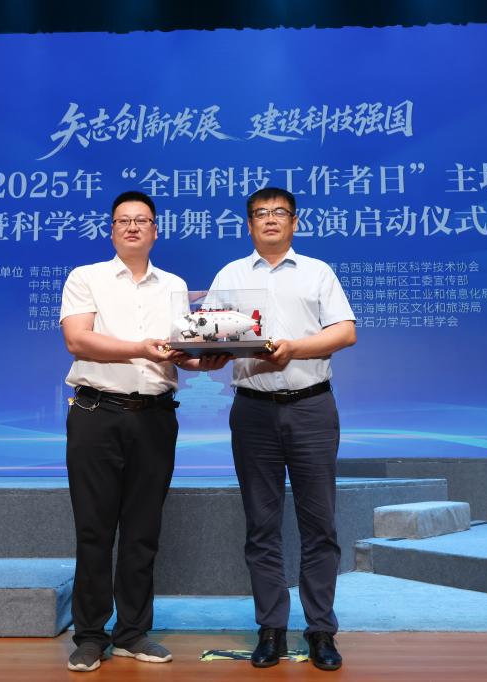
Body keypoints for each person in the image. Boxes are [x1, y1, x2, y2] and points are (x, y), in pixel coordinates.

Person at [59, 190, 225, 672]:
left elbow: (176, 353)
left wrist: (205, 361)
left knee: (142, 529)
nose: (132, 227)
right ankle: (91, 635)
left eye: (141, 220)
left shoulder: (173, 285)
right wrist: (140, 348)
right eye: (123, 220)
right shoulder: (86, 277)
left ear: (156, 230)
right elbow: (77, 340)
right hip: (95, 414)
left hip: (155, 416)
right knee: (94, 529)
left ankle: (132, 631)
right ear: (111, 230)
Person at [208, 187, 356, 671]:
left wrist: (294, 348)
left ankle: (321, 631)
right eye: (260, 213)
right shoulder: (230, 275)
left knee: (320, 524)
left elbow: (345, 331)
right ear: (249, 224)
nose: (270, 220)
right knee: (261, 524)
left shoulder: (318, 272)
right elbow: (209, 335)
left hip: (311, 407)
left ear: (294, 222)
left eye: (279, 213)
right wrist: (196, 354)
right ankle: (270, 628)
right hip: (253, 410)